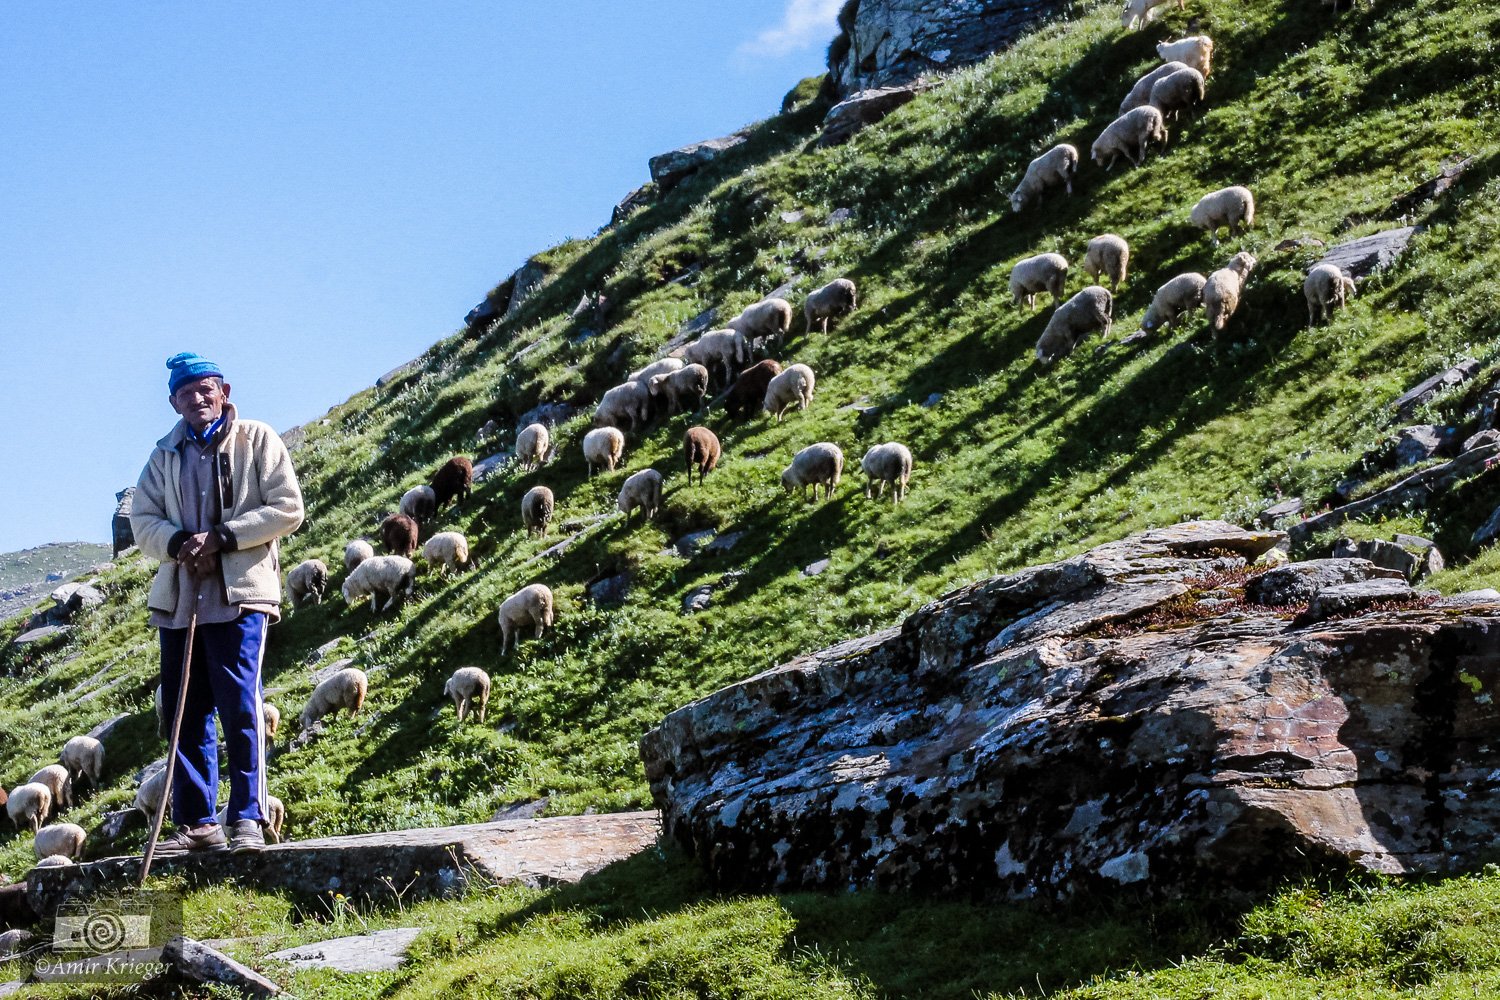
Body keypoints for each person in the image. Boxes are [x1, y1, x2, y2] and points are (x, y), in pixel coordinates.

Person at [130, 353, 304, 855]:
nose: (197, 398)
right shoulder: (164, 455)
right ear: (173, 402)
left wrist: (223, 538)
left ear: (223, 390)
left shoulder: (257, 439)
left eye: (205, 388)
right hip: (181, 601)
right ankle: (199, 824)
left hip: (239, 595)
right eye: (186, 393)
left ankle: (247, 816)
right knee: (185, 710)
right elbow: (143, 519)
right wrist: (179, 541)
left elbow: (287, 509)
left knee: (240, 705)